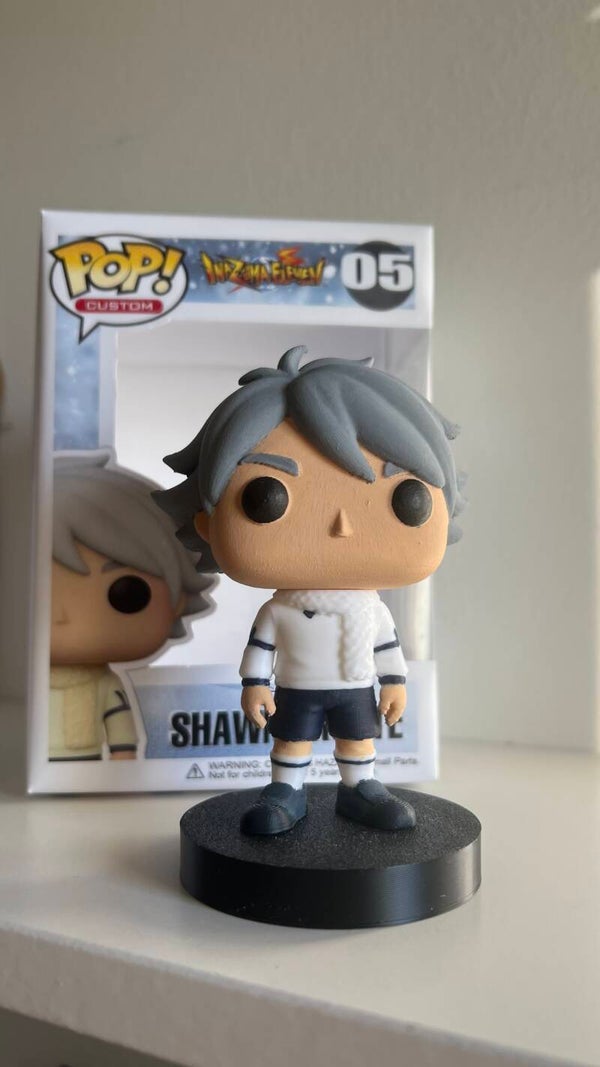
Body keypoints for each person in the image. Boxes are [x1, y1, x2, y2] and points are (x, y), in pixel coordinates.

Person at [155, 346, 464, 833]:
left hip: (355, 688)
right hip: (297, 689)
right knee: (291, 742)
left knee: (358, 741)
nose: (342, 525)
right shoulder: (279, 611)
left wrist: (395, 682)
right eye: (265, 498)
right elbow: (261, 650)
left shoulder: (371, 610)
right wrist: (255, 684)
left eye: (405, 498)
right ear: (206, 522)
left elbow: (387, 647)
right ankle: (286, 792)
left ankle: (361, 788)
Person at [50, 450, 214, 761]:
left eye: (125, 594)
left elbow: (121, 730)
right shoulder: (17, 685)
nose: (59, 616)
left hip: (88, 763)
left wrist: (123, 759)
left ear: (178, 600)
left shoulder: (105, 684)